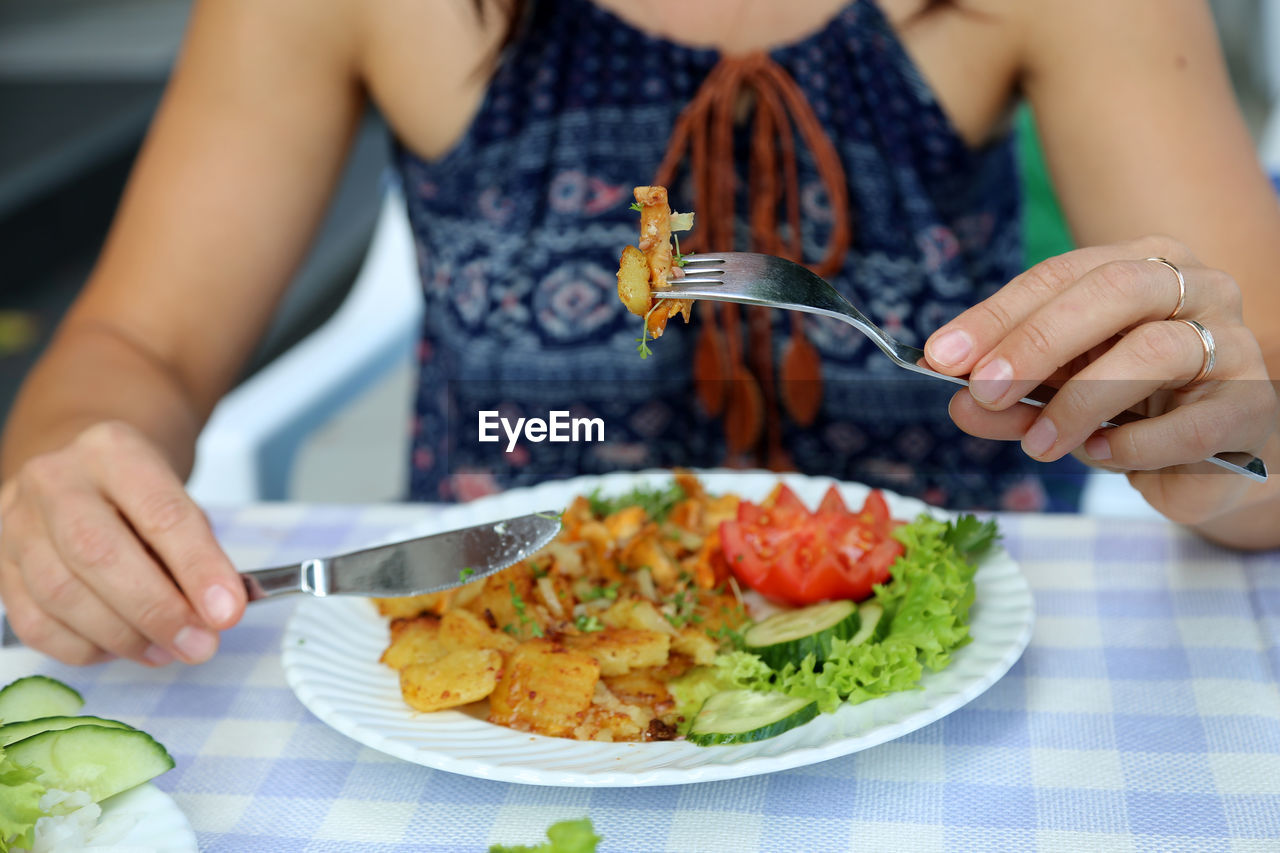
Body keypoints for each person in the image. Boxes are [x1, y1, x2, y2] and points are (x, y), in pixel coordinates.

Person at [2, 0, 1278, 668]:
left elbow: (1256, 421)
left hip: (937, 667)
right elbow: (138, 343)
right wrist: (73, 480)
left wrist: (1227, 423)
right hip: (501, 639)